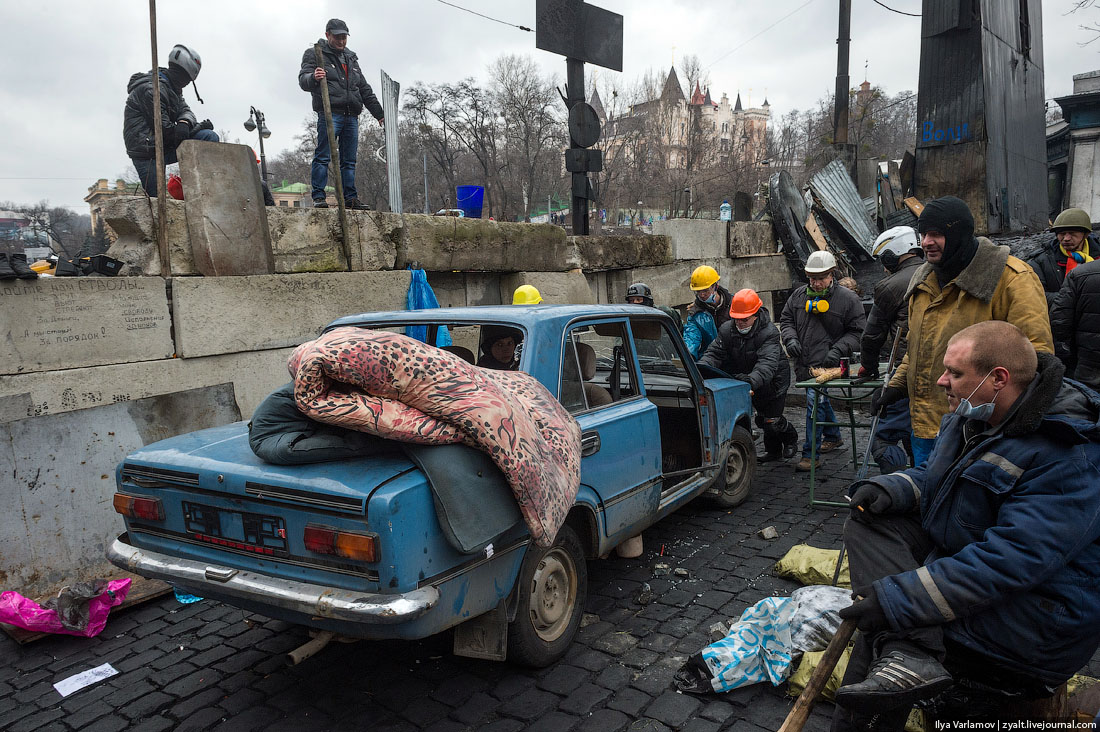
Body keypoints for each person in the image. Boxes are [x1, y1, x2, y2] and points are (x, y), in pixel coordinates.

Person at [832, 321, 1100, 727]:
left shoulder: (1071, 454)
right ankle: (909, 655)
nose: (943, 381)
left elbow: (1010, 561)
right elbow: (941, 478)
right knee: (869, 523)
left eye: (955, 373)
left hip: (1032, 620)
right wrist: (895, 487)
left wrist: (897, 600)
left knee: (884, 624)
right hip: (968, 560)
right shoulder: (972, 416)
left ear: (998, 379)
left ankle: (906, 656)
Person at [871, 196, 1053, 467]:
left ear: (958, 233)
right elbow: (917, 349)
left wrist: (1009, 428)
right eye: (923, 234)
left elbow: (1034, 360)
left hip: (978, 433)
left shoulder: (1013, 280)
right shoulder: (922, 284)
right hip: (925, 427)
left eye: (936, 234)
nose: (926, 242)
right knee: (929, 500)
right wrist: (896, 387)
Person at [779, 250, 866, 471]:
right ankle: (834, 435)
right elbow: (786, 319)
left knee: (813, 403)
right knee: (819, 400)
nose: (816, 283)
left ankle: (810, 454)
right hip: (804, 363)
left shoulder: (848, 300)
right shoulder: (798, 296)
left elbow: (857, 332)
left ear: (831, 275)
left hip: (828, 366)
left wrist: (838, 350)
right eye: (812, 279)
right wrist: (790, 339)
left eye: (820, 278)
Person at [698, 289, 798, 462]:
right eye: (736, 318)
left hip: (773, 380)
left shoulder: (769, 333)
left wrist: (751, 380)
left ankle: (790, 439)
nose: (740, 323)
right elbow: (714, 353)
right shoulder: (727, 330)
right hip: (747, 378)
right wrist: (701, 368)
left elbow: (767, 364)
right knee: (761, 419)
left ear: (756, 315)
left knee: (772, 421)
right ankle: (773, 452)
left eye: (744, 319)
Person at [857, 226, 924, 472]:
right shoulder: (939, 274)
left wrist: (869, 368)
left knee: (884, 436)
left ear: (893, 254)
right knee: (921, 434)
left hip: (903, 372)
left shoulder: (890, 285)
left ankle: (896, 484)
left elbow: (872, 336)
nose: (884, 267)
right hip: (939, 371)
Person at [299, 19, 384, 211]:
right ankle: (319, 196)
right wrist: (313, 77)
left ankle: (350, 198)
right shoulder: (315, 54)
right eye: (337, 37)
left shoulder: (350, 58)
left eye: (344, 37)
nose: (341, 41)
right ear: (328, 34)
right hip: (330, 114)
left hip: (351, 114)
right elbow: (303, 79)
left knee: (349, 160)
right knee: (323, 155)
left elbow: (363, 88)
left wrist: (379, 113)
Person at [123, 44, 220, 196]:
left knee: (209, 137)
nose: (186, 84)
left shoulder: (173, 90)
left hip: (165, 145)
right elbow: (166, 131)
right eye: (186, 79)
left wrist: (184, 122)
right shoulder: (151, 89)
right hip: (147, 152)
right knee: (157, 198)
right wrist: (197, 127)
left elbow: (186, 111)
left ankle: (201, 189)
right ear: (179, 73)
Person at [1025, 207, 1098, 307]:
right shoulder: (1041, 261)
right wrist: (1074, 299)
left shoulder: (1097, 258)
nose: (1066, 239)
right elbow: (1034, 295)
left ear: (1086, 234)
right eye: (1062, 234)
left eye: (1072, 234)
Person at [1050, 255, 1100, 391]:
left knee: (1090, 403)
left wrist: (1070, 347)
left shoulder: (1079, 274)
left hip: (1088, 361)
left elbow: (1059, 321)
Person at [683, 265, 732, 359]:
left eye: (705, 290)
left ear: (716, 286)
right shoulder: (695, 313)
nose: (702, 295)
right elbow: (691, 339)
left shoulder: (734, 305)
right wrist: (687, 357)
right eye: (698, 291)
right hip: (710, 359)